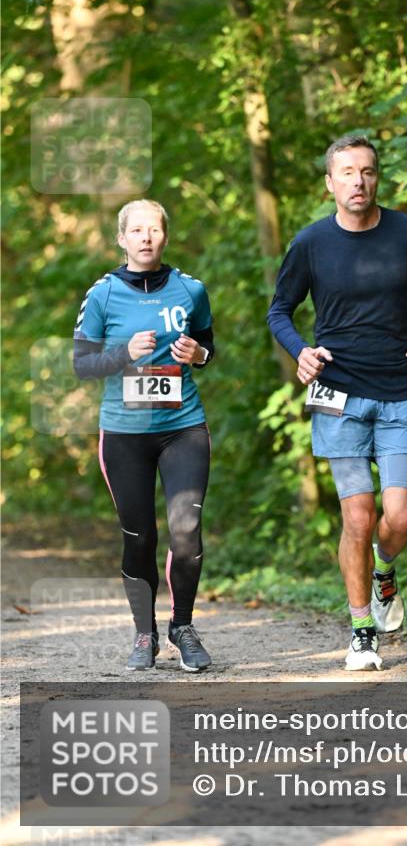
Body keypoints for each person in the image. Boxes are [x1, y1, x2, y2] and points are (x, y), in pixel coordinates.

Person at [267, 134, 407, 670]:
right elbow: (280, 309)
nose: (358, 181)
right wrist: (301, 352)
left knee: (400, 515)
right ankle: (362, 631)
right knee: (358, 514)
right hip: (338, 394)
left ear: (378, 178)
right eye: (347, 172)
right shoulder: (310, 243)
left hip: (400, 391)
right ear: (330, 182)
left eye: (368, 171)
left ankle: (385, 568)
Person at [73, 199, 215, 673]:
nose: (146, 237)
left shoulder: (191, 290)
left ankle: (182, 627)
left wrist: (198, 355)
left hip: (183, 429)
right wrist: (121, 353)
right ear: (122, 238)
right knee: (139, 537)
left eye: (154, 229)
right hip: (124, 435)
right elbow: (82, 364)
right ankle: (144, 634)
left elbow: (207, 349)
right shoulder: (103, 294)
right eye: (137, 230)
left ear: (165, 235)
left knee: (186, 531)